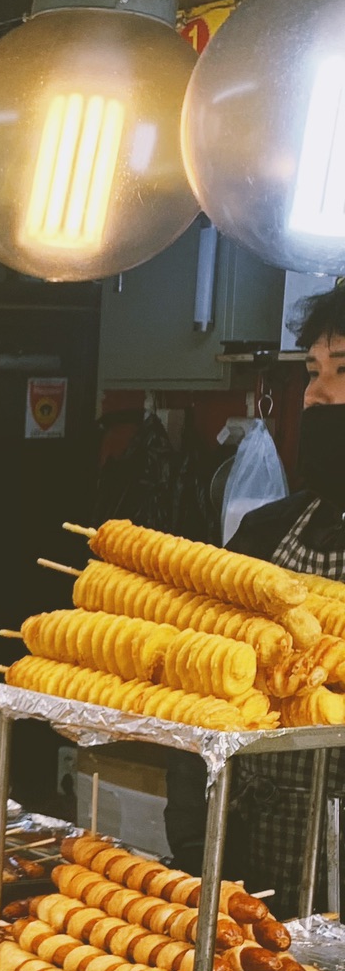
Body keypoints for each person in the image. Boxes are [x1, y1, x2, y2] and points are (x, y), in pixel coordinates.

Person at [168, 284, 345, 900]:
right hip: (249, 870)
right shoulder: (267, 531)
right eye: (313, 370)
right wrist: (196, 842)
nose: (316, 393)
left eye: (340, 371)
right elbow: (203, 690)